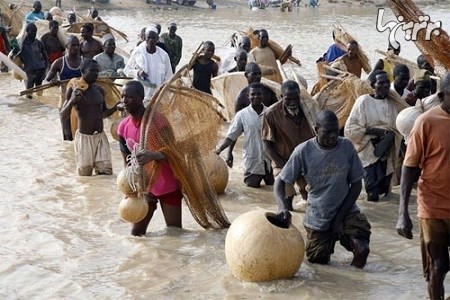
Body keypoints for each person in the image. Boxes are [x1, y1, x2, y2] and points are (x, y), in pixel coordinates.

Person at [274, 109, 371, 268]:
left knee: (362, 250)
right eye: (327, 132)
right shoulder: (303, 151)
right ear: (315, 129)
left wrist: (338, 219)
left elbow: (356, 185)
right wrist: (282, 208)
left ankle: (354, 286)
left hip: (346, 211)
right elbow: (281, 181)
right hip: (319, 215)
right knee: (319, 265)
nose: (333, 136)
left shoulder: (346, 146)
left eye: (336, 131)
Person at [396, 71, 450, 300]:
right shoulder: (426, 122)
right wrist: (402, 213)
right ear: (441, 95)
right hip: (433, 207)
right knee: (438, 267)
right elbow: (410, 168)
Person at [117, 81, 183, 236]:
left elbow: (174, 151)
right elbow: (126, 162)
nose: (124, 101)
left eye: (129, 97)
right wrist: (128, 188)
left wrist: (153, 155)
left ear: (141, 98)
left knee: (174, 234)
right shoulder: (123, 126)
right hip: (144, 185)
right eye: (122, 97)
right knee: (136, 234)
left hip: (167, 183)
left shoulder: (158, 121)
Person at [344, 70, 400, 202]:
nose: (385, 85)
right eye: (381, 83)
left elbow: (398, 127)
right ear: (373, 85)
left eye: (387, 82)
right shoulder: (363, 101)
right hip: (367, 150)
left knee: (385, 192)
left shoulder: (392, 103)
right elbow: (350, 129)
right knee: (372, 193)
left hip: (386, 152)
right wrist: (375, 132)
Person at [60, 59, 119, 176]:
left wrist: (116, 107)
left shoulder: (99, 90)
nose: (95, 74)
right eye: (91, 71)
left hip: (101, 137)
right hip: (84, 139)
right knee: (85, 177)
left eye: (97, 71)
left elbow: (103, 114)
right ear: (82, 71)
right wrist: (72, 100)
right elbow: (63, 115)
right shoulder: (75, 89)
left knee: (105, 175)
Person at [262, 80, 315, 208]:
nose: (293, 103)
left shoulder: (308, 109)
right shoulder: (271, 114)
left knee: (313, 202)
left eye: (296, 98)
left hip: (307, 162)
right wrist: (285, 166)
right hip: (283, 161)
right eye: (288, 99)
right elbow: (267, 145)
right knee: (286, 205)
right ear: (281, 97)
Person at [215, 82, 274, 188]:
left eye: (259, 94)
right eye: (253, 94)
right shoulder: (242, 115)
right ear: (248, 96)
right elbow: (231, 136)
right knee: (252, 189)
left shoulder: (270, 113)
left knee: (272, 189)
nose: (256, 96)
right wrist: (219, 150)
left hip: (269, 160)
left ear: (262, 95)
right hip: (253, 161)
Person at [45, 35, 83, 141]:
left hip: (80, 99)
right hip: (65, 100)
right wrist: (53, 82)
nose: (76, 48)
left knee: (81, 132)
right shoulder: (59, 63)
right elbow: (46, 80)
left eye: (77, 45)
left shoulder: (84, 62)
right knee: (67, 135)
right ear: (66, 46)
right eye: (73, 45)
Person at [124, 26, 173, 106]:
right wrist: (137, 72)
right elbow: (127, 70)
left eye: (153, 38)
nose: (151, 40)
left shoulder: (163, 55)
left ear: (157, 38)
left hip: (158, 94)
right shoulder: (138, 52)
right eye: (148, 37)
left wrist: (162, 89)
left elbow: (169, 76)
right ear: (144, 38)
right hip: (141, 94)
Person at [16, 23, 48, 94]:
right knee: (29, 94)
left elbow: (46, 57)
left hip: (40, 71)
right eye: (32, 31)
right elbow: (14, 57)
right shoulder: (21, 45)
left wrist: (44, 69)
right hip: (29, 73)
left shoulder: (39, 43)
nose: (34, 33)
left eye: (35, 31)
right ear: (27, 31)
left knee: (39, 93)